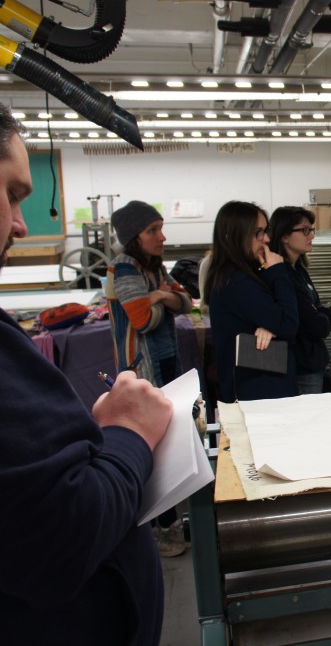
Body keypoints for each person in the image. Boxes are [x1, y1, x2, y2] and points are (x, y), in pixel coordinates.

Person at [0, 104, 174, 644]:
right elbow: (59, 534)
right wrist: (126, 434)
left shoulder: (151, 269)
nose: (21, 224)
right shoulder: (127, 270)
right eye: (11, 193)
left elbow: (178, 301)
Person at [106, 200, 192, 557]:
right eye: (152, 230)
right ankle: (159, 529)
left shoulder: (154, 267)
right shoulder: (126, 267)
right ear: (134, 237)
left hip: (165, 362)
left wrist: (160, 296)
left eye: (160, 228)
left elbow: (187, 302)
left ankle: (169, 521)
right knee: (152, 449)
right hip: (142, 370)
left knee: (168, 445)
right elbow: (142, 320)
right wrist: (163, 300)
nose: (161, 236)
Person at [204, 201, 299, 402]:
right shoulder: (237, 282)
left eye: (266, 231)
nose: (266, 239)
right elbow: (288, 322)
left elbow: (280, 318)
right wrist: (278, 272)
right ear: (232, 235)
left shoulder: (241, 274)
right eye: (258, 233)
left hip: (259, 387)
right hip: (256, 392)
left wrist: (271, 326)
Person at [268, 206, 331, 394]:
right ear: (284, 236)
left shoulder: (299, 270)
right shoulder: (283, 276)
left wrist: (321, 311)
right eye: (305, 230)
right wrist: (322, 313)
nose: (311, 235)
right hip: (301, 366)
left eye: (311, 230)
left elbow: (318, 311)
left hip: (312, 361)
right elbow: (315, 325)